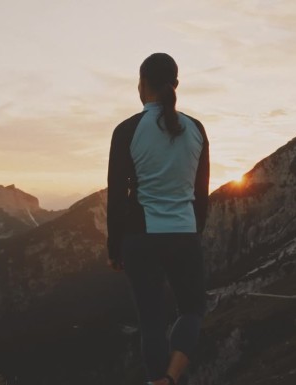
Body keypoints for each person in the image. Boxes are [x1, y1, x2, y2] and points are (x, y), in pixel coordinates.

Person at [106, 53, 210, 385]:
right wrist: (193, 234)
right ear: (174, 84)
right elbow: (201, 193)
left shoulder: (127, 130)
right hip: (184, 235)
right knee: (192, 310)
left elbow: (116, 196)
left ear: (142, 84)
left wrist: (114, 246)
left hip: (140, 237)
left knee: (151, 323)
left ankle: (157, 382)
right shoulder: (196, 130)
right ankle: (171, 376)